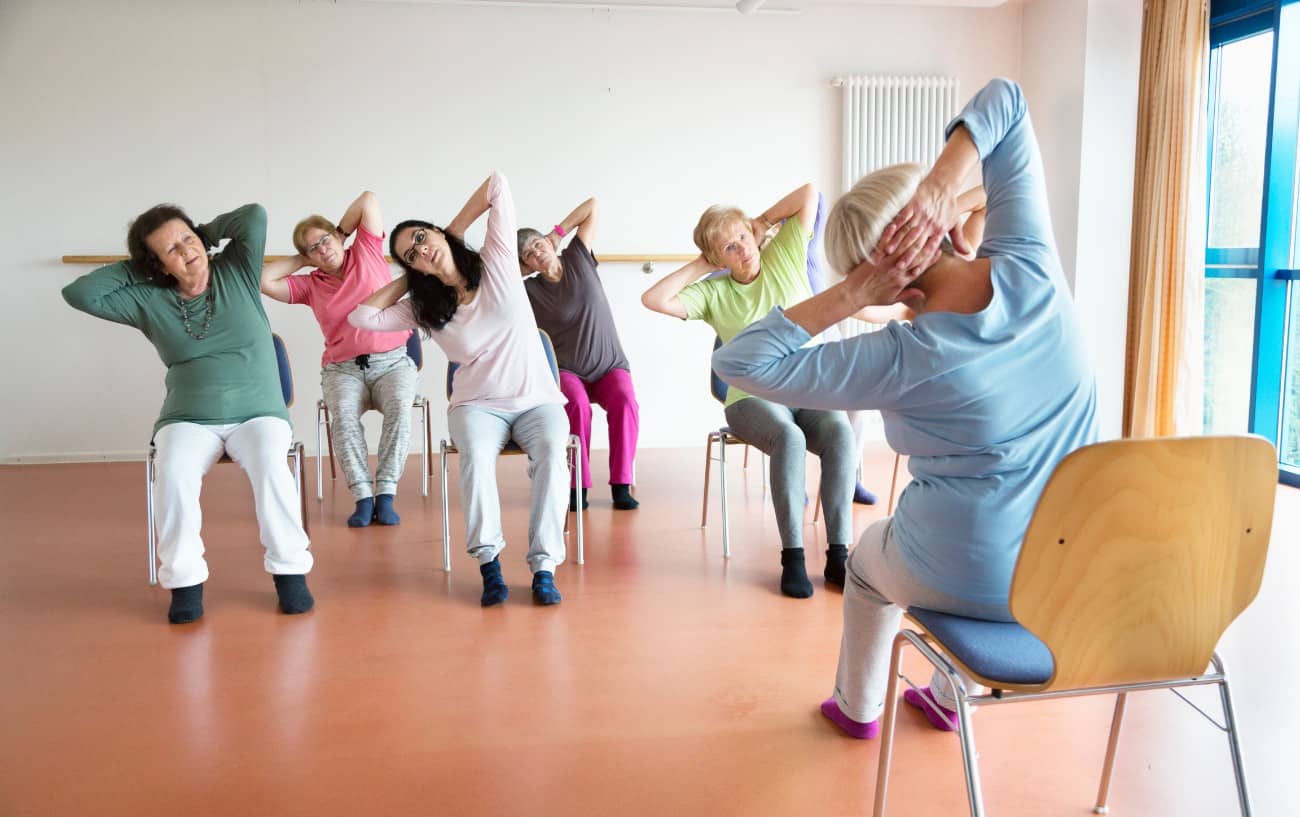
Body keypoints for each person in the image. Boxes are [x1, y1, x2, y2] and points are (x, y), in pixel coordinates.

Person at [711, 78, 1098, 738]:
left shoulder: (899, 356)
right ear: (943, 222)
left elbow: (739, 363)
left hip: (969, 567)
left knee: (865, 561)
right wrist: (944, 181)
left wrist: (853, 292)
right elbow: (1006, 99)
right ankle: (951, 696)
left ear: (879, 278)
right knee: (992, 526)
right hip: (1071, 561)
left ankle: (857, 709)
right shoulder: (1033, 265)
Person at [62, 203, 315, 624]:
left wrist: (204, 231)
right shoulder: (148, 300)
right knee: (174, 471)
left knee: (272, 466)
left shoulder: (237, 268)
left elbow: (253, 216)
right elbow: (78, 294)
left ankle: (290, 574)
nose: (185, 251)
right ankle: (184, 583)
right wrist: (137, 267)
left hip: (259, 412)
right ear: (157, 265)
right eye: (170, 251)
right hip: (188, 417)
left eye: (187, 239)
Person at [349, 171, 569, 607]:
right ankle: (490, 564)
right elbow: (362, 318)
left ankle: (544, 567)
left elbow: (498, 184)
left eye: (420, 237)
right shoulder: (422, 307)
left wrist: (452, 231)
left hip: (537, 400)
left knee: (552, 452)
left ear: (435, 230)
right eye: (410, 254)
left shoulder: (498, 260)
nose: (421, 249)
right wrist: (411, 279)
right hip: (476, 406)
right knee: (476, 458)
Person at [641, 183, 858, 599]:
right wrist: (701, 266)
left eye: (742, 237)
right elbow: (654, 298)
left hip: (806, 389)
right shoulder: (714, 291)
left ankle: (838, 556)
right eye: (727, 248)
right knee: (790, 439)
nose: (741, 249)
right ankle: (792, 557)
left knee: (841, 435)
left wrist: (761, 222)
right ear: (715, 259)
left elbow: (808, 193)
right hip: (750, 399)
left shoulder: (785, 254)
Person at [261, 192, 417, 528]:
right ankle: (363, 496)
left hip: (392, 363)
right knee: (343, 421)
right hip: (342, 370)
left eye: (325, 240)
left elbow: (369, 201)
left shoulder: (366, 252)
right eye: (313, 248)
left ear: (337, 236)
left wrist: (343, 235)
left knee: (401, 409)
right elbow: (264, 281)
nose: (323, 249)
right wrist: (302, 260)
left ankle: (386, 493)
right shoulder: (309, 286)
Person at [517, 197, 640, 512]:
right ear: (525, 264)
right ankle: (576, 487)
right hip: (569, 371)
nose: (535, 252)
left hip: (610, 365)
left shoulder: (578, 257)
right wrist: (520, 267)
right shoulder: (529, 291)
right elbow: (496, 281)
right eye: (527, 254)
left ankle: (622, 485)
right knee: (577, 407)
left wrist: (556, 234)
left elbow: (592, 206)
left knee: (625, 400)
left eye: (536, 244)